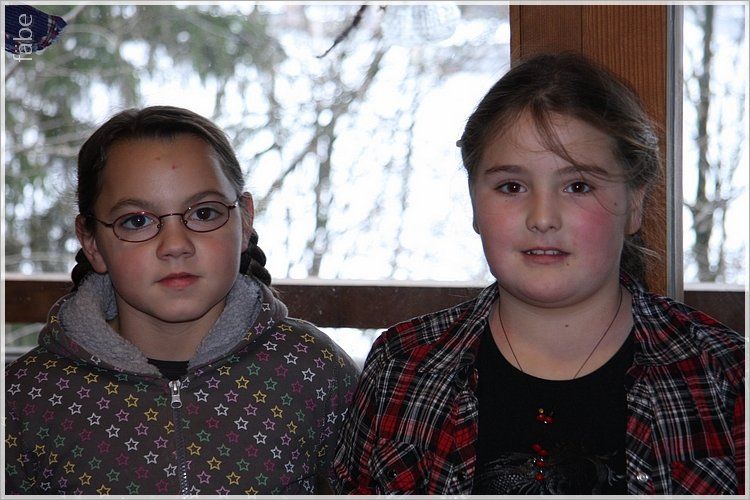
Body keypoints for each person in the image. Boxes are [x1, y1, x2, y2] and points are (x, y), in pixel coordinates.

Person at [331, 52, 745, 495]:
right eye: (511, 186)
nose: (543, 217)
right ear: (474, 203)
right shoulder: (401, 368)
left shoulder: (725, 377)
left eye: (578, 186)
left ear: (635, 204)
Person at [5, 106, 360, 495]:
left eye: (204, 213)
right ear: (92, 242)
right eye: (137, 221)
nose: (175, 245)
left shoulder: (315, 370)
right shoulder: (25, 397)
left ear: (245, 221)